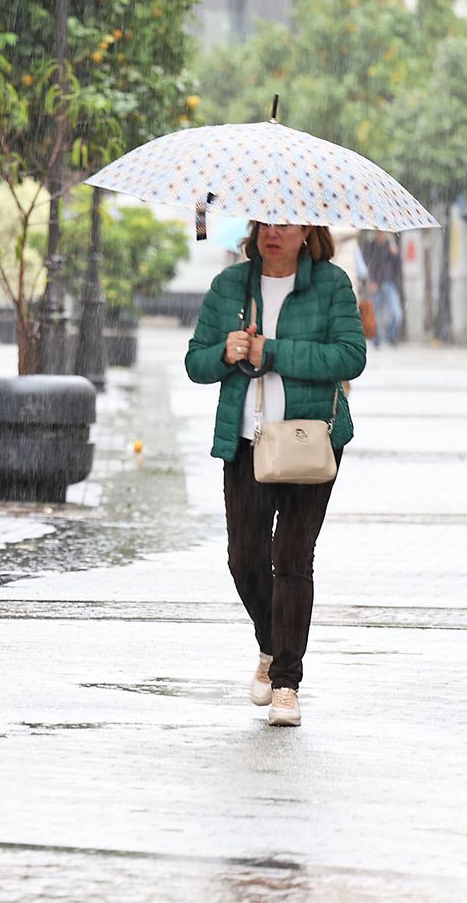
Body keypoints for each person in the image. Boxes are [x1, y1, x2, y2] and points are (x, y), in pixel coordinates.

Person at [185, 222, 367, 727]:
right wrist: (226, 352)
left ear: (308, 229)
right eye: (264, 222)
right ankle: (272, 642)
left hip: (312, 443)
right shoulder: (231, 286)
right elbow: (195, 363)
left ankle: (286, 681)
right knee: (244, 559)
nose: (273, 232)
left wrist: (276, 352)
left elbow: (351, 356)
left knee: (291, 557)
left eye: (285, 223)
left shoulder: (330, 284)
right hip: (246, 445)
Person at [360, 232, 404, 348]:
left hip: (390, 283)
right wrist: (372, 281)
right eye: (378, 231)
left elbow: (398, 265)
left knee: (396, 314)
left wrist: (396, 254)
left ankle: (390, 336)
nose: (381, 234)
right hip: (375, 284)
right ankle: (377, 339)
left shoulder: (391, 244)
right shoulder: (370, 245)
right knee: (376, 314)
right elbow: (368, 263)